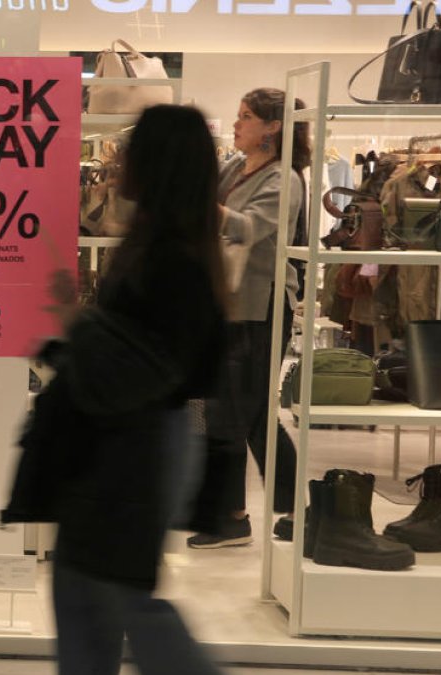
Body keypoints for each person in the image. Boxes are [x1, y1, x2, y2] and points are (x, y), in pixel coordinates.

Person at [33, 105, 227, 674]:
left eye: (128, 152)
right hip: (144, 440)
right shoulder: (176, 249)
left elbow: (142, 372)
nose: (115, 164)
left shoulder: (170, 261)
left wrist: (75, 322)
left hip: (136, 446)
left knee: (111, 598)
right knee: (99, 595)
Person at [187, 88, 307, 548]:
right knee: (215, 409)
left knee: (251, 412)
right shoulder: (237, 167)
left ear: (273, 128)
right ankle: (232, 514)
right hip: (222, 303)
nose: (237, 124)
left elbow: (250, 229)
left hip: (261, 306)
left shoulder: (285, 179)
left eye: (247, 117)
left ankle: (297, 506)